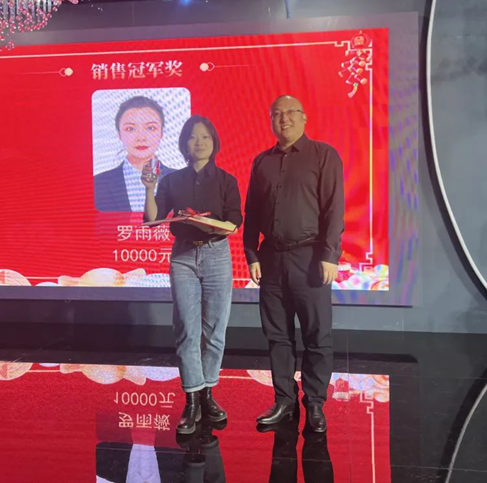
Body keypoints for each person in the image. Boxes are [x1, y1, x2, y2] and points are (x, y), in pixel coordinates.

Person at [244, 95, 344, 433]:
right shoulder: (262, 162)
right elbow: (252, 211)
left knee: (317, 334)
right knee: (277, 335)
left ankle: (315, 402)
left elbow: (334, 208)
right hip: (271, 258)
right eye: (276, 114)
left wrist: (330, 254)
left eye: (290, 113)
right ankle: (284, 399)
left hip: (310, 258)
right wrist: (251, 253)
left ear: (304, 118)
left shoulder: (323, 155)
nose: (283, 119)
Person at [143, 115, 242, 435]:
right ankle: (192, 400)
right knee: (187, 329)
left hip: (216, 256)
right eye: (193, 137)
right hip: (183, 257)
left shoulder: (226, 180)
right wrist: (150, 188)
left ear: (214, 143)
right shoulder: (172, 181)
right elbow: (152, 219)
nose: (199, 142)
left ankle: (208, 395)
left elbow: (234, 221)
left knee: (215, 331)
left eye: (205, 137)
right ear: (184, 144)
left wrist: (209, 224)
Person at [94, 96, 174, 212]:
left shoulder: (182, 181)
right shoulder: (98, 184)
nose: (141, 138)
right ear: (119, 134)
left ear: (161, 133)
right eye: (130, 129)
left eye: (151, 128)